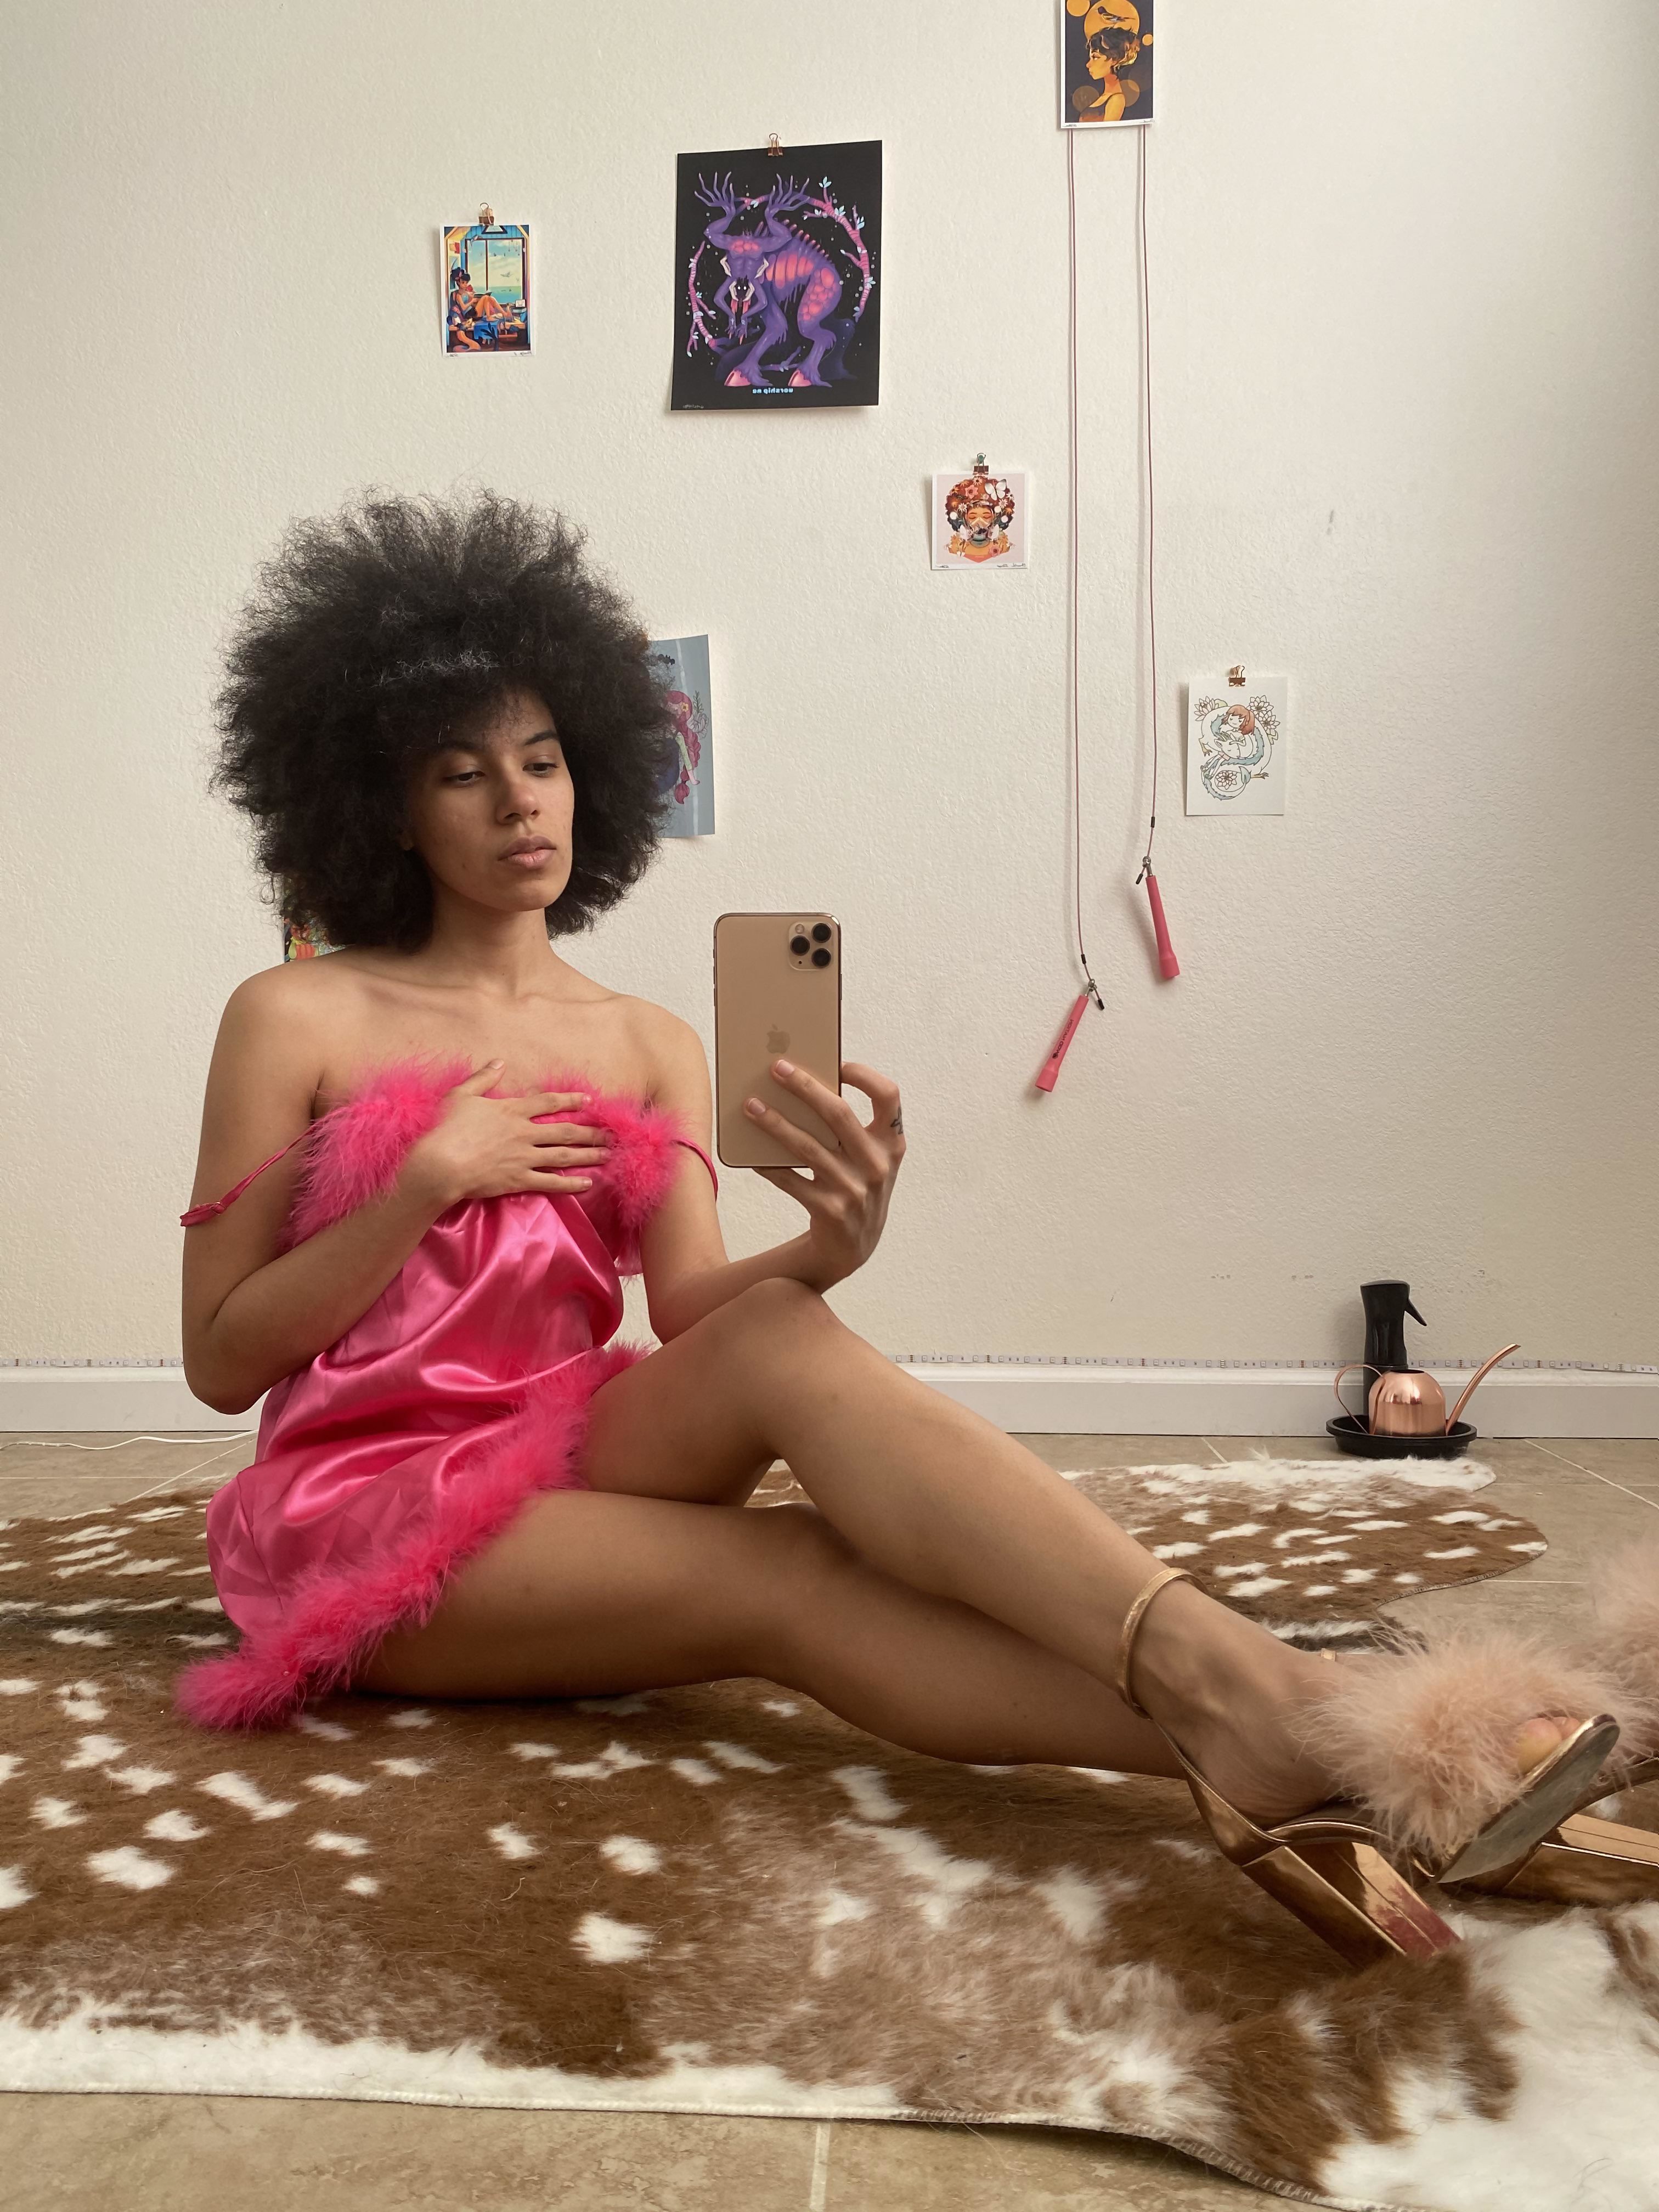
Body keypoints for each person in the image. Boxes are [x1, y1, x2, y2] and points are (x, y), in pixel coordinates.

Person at [178, 489, 1654, 1966]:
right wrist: (425, 1183)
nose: (520, 804)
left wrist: (830, 1248)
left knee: (779, 1329)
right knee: (792, 1575)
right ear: (384, 806)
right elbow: (221, 1360)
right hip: (363, 1515)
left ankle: (1288, 1720)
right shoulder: (295, 1013)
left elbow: (692, 1311)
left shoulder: (640, 1038)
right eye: (463, 773)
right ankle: (1338, 1728)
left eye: (545, 760)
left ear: (596, 777)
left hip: (564, 1445)